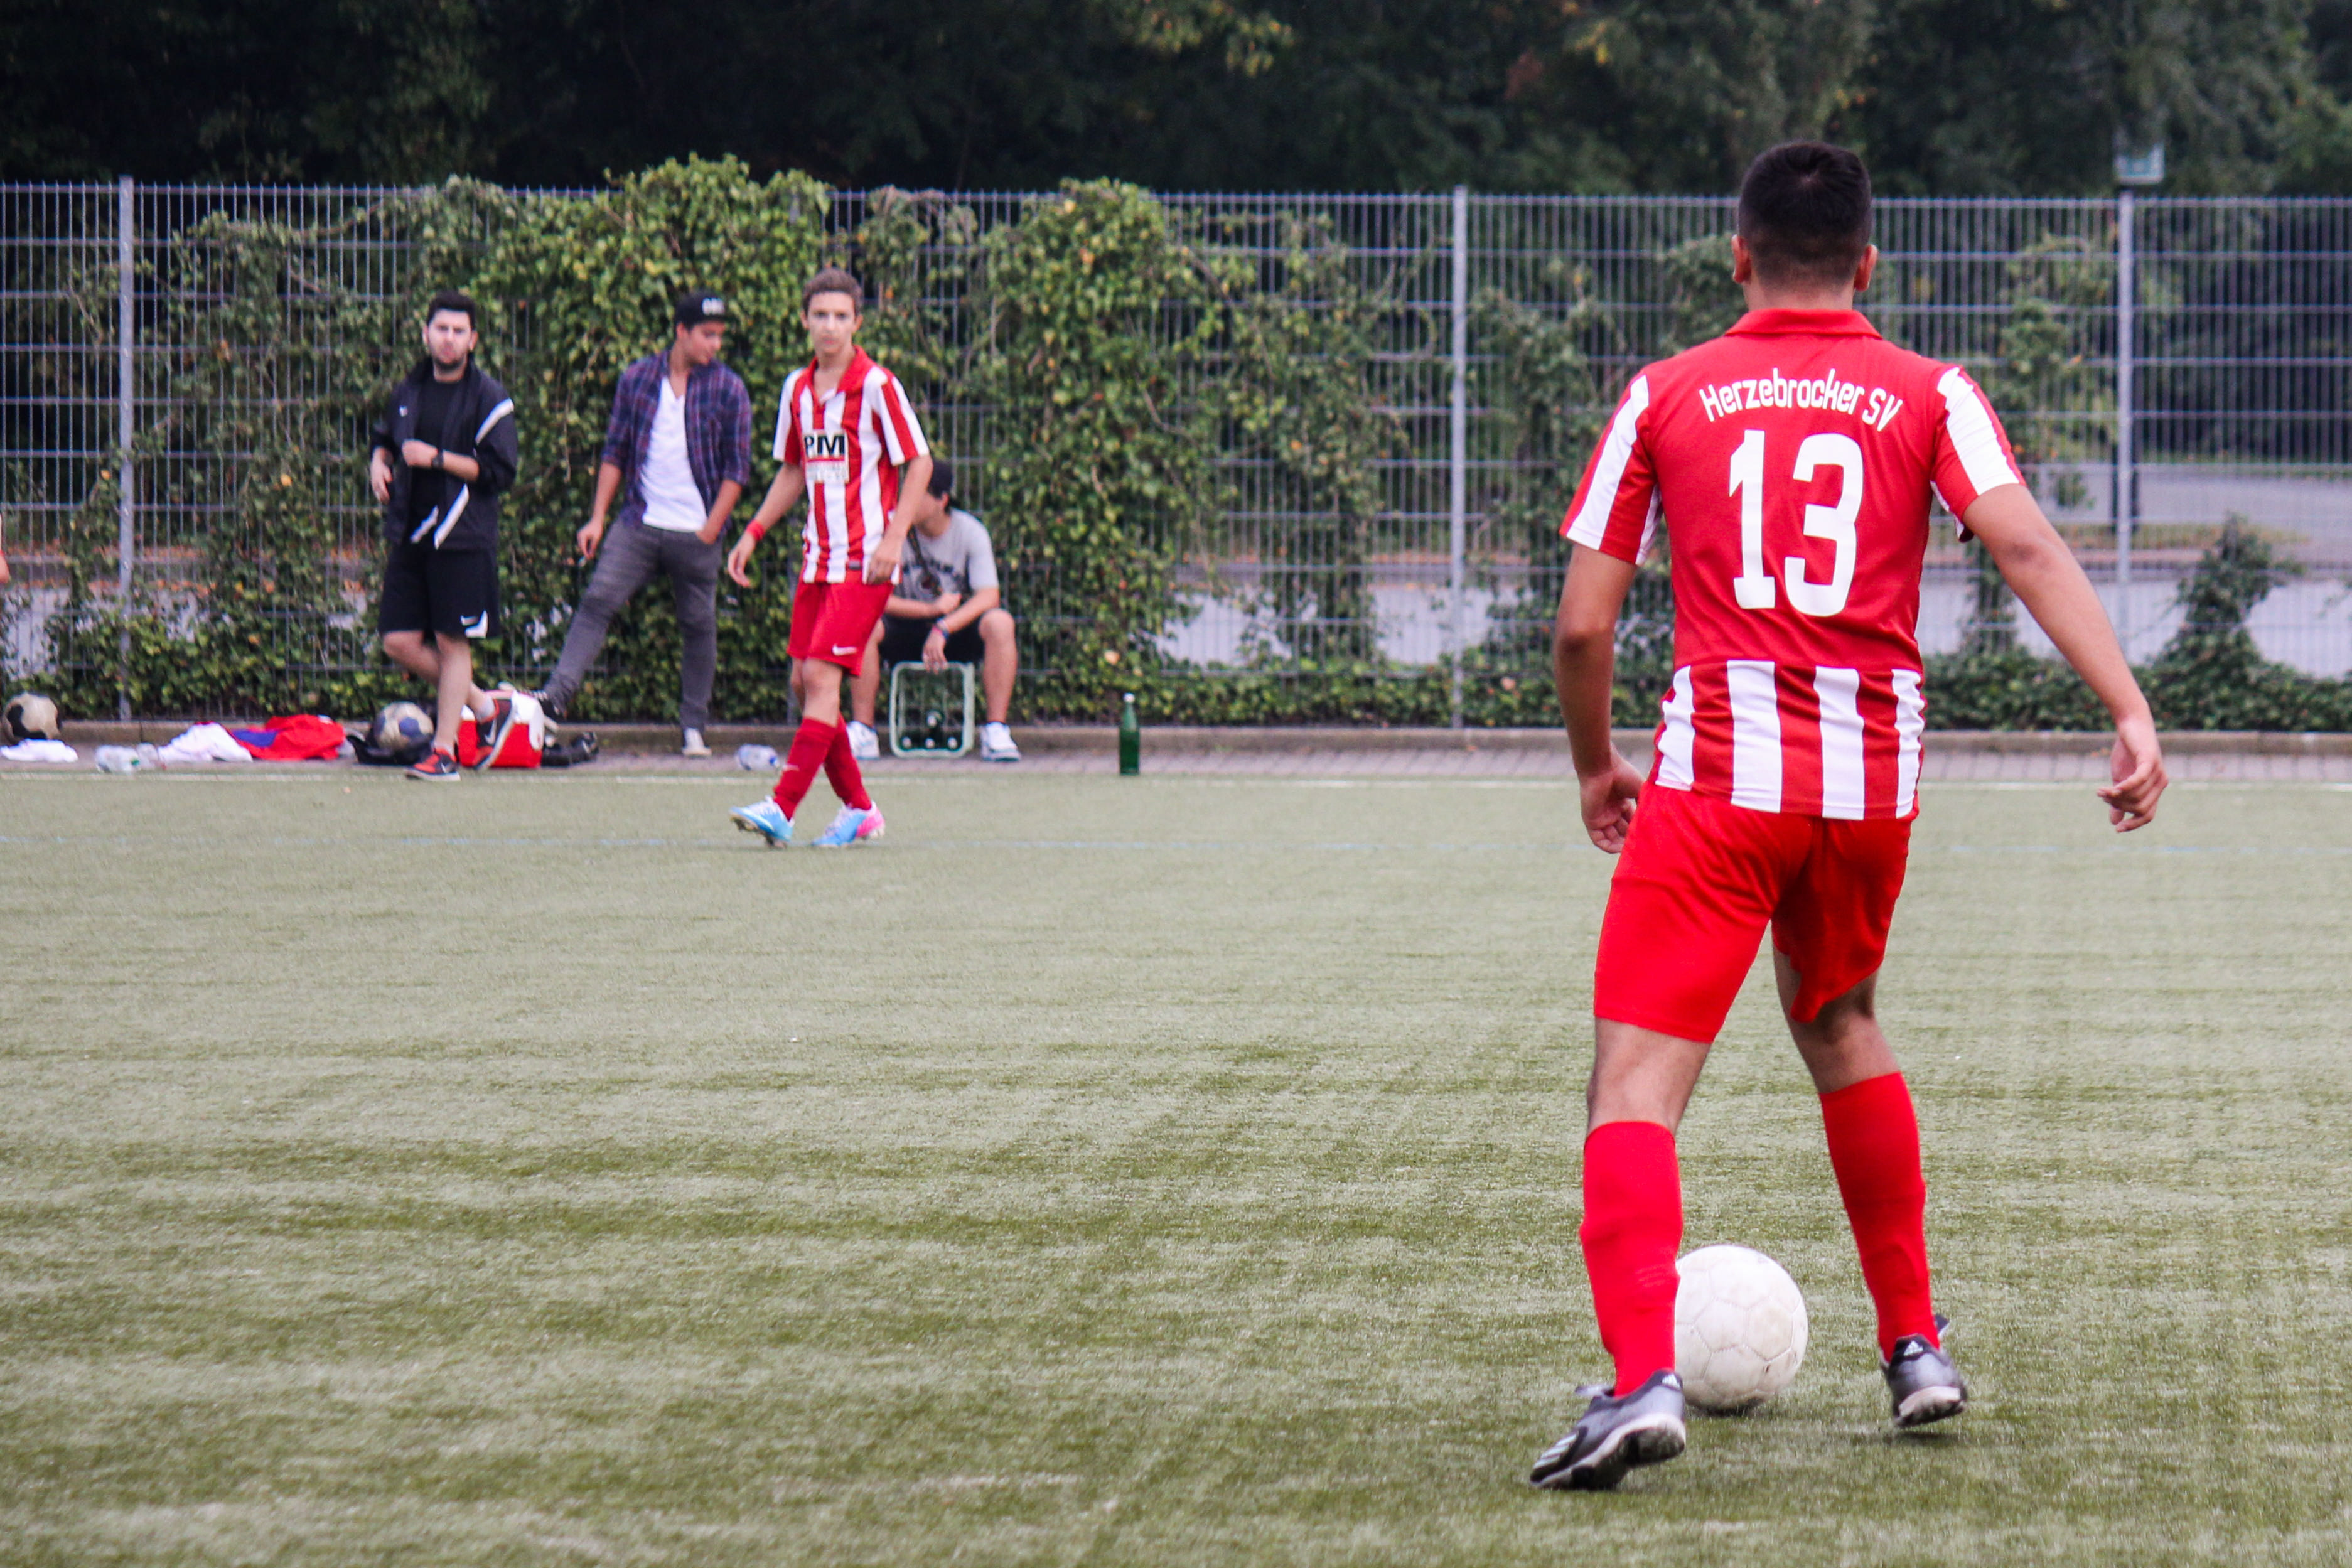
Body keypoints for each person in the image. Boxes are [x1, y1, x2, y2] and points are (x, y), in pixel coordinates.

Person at [1529, 142, 2168, 1491]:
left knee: (1633, 1083)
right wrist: (2126, 706)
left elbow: (1583, 624)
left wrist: (1595, 765)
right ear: (1867, 264)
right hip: (1868, 787)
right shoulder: (1929, 391)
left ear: (1738, 256)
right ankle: (1914, 1346)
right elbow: (2023, 544)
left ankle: (1640, 1377)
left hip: (1719, 786)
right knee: (1839, 1022)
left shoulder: (1665, 392)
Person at [724, 266, 932, 847]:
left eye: (841, 316)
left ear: (857, 323)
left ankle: (782, 807)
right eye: (820, 315)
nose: (830, 326)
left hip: (866, 560)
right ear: (804, 320)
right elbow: (794, 469)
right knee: (804, 681)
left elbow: (919, 461)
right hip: (817, 558)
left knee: (819, 676)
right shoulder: (797, 388)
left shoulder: (878, 386)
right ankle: (860, 809)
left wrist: (894, 537)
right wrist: (754, 532)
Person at [534, 291, 751, 756]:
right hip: (640, 522)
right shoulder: (638, 378)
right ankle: (554, 700)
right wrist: (597, 518)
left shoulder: (729, 388)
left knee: (698, 624)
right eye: (707, 335)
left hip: (697, 532)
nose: (715, 345)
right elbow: (615, 451)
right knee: (598, 600)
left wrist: (711, 529)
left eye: (719, 336)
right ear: (681, 331)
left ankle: (694, 728)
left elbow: (738, 469)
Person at [368, 289, 523, 782]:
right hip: (411, 535)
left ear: (473, 339)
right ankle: (487, 706)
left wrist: (436, 459)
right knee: (397, 641)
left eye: (459, 331)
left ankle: (443, 752)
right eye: (441, 329)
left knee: (453, 643)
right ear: (426, 334)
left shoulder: (489, 397)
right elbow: (385, 439)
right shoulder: (408, 390)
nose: (449, 339)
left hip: (462, 537)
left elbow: (500, 470)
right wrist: (379, 463)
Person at [846, 458, 1020, 762]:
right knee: (864, 623)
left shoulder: (970, 532)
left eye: (917, 493)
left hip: (953, 633)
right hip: (904, 628)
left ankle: (996, 731)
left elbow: (989, 595)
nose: (906, 501)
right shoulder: (889, 530)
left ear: (942, 500)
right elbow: (872, 596)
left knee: (1000, 623)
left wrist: (943, 626)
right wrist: (929, 611)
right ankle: (863, 732)